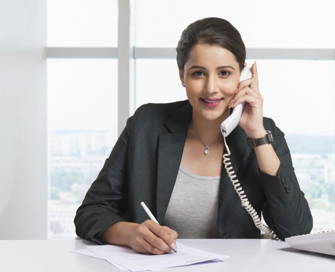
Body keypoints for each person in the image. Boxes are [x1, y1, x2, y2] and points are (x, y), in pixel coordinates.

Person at [74, 17, 313, 255]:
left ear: (242, 76)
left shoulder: (263, 131)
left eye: (224, 73)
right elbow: (90, 212)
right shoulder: (146, 125)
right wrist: (131, 234)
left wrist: (257, 136)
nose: (211, 88)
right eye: (198, 73)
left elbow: (296, 230)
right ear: (182, 75)